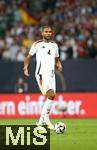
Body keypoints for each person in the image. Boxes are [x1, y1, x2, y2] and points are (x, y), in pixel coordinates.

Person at [24, 26, 62, 130]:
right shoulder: (37, 44)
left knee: (52, 97)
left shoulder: (55, 45)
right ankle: (46, 119)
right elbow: (28, 57)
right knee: (51, 94)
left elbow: (56, 58)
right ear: (42, 33)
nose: (48, 33)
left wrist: (58, 64)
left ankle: (40, 123)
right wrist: (25, 68)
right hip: (41, 74)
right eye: (46, 32)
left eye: (50, 32)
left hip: (51, 74)